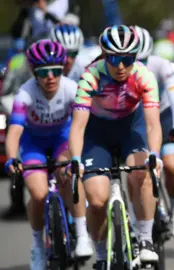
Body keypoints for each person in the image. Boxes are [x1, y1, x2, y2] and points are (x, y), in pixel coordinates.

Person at [67, 25, 162, 269]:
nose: (121, 66)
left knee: (143, 172)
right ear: (104, 55)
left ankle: (145, 239)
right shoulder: (91, 76)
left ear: (136, 57)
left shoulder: (144, 76)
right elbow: (77, 126)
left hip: (132, 129)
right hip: (96, 134)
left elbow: (152, 124)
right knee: (97, 201)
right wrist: (76, 159)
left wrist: (155, 155)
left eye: (127, 59)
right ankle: (100, 254)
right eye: (114, 59)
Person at [4, 39, 92, 270]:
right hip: (34, 144)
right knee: (38, 192)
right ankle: (38, 246)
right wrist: (12, 158)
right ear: (34, 72)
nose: (51, 77)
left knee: (70, 175)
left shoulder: (72, 89)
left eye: (56, 70)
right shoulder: (25, 94)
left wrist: (78, 156)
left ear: (63, 68)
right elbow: (14, 132)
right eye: (44, 73)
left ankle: (82, 234)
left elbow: (81, 127)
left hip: (62, 140)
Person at [132, 25, 174, 239]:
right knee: (139, 170)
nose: (141, 66)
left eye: (144, 60)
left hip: (162, 116)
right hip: (138, 118)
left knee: (172, 166)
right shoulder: (123, 69)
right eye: (136, 61)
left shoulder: (161, 64)